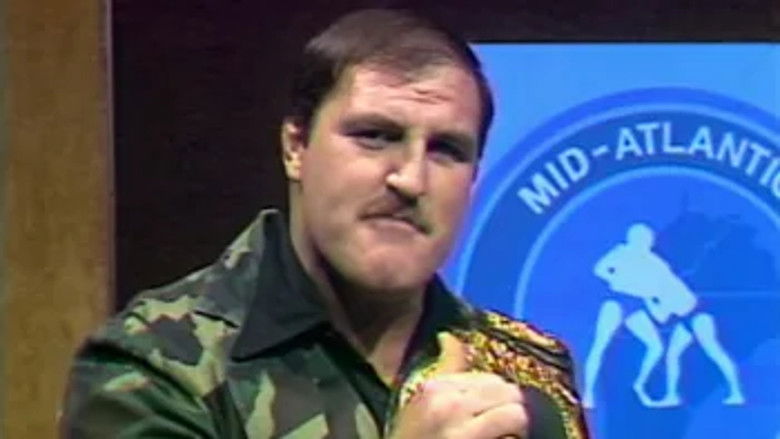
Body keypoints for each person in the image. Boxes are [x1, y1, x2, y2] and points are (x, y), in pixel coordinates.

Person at [61, 9, 589, 439]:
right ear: (296, 146)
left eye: (446, 149)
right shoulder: (159, 367)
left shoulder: (525, 371)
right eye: (375, 135)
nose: (410, 179)